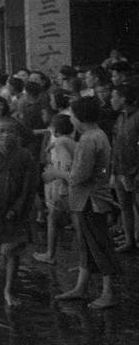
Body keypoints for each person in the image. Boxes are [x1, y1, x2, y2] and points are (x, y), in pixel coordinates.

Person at [50, 96, 121, 309]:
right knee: (88, 245)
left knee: (99, 245)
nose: (71, 119)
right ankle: (81, 286)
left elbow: (79, 176)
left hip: (90, 200)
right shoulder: (98, 134)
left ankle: (108, 293)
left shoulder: (89, 139)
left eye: (72, 115)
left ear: (80, 117)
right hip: (90, 198)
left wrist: (56, 173)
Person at [0, 117, 40, 306]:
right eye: (1, 131)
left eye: (10, 131)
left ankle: (8, 290)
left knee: (12, 251)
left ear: (17, 135)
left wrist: (17, 209)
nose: (5, 135)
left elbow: (28, 187)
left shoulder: (25, 157)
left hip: (16, 211)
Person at [32, 114, 75, 264]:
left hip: (62, 188)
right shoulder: (69, 140)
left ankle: (50, 254)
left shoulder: (61, 142)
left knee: (53, 219)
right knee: (75, 222)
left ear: (56, 130)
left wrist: (55, 175)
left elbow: (66, 166)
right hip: (67, 188)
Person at [109, 82, 139, 252]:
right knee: (125, 207)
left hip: (134, 172)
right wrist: (113, 170)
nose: (111, 100)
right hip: (120, 169)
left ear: (123, 98)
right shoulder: (120, 117)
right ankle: (129, 239)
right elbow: (116, 144)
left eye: (114, 96)